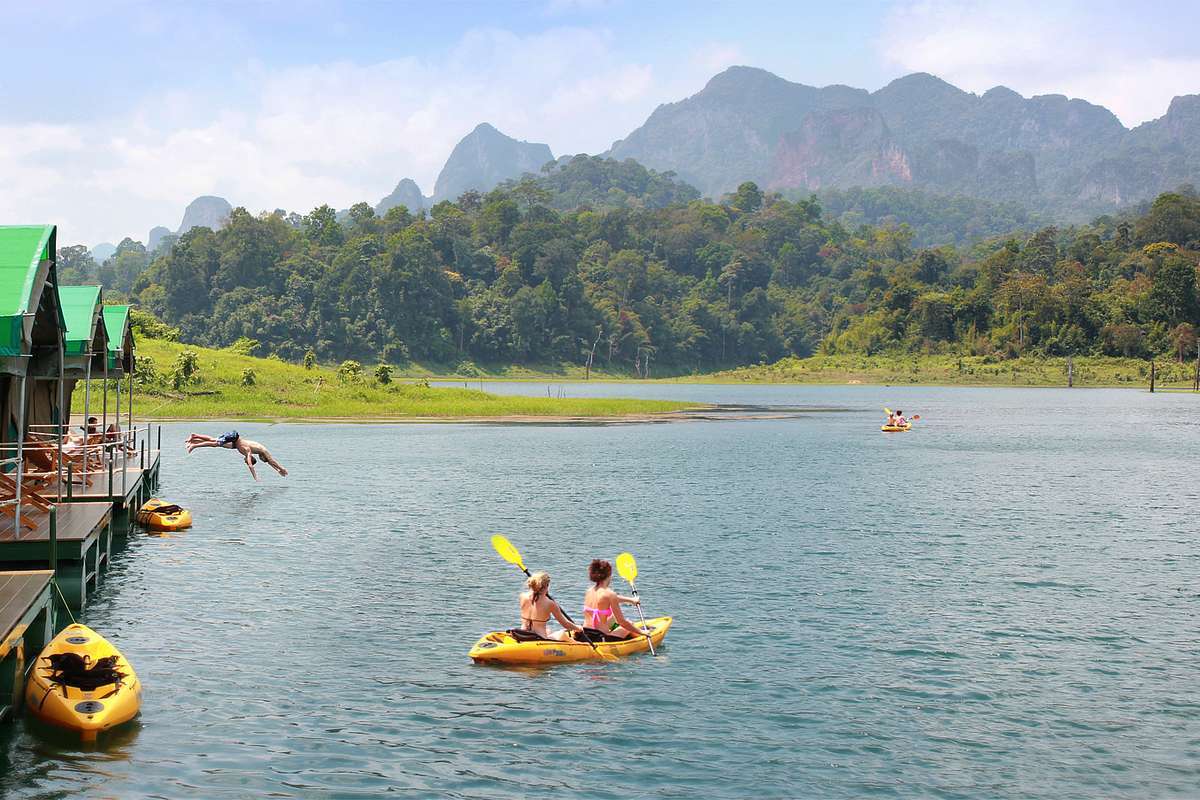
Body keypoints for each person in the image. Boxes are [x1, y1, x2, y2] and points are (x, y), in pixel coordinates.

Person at [580, 558, 649, 642]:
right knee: (629, 624)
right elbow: (622, 622)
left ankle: (613, 629)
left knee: (611, 618)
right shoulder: (609, 594)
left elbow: (608, 599)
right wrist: (642, 632)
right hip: (600, 638)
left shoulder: (589, 591)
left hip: (585, 634)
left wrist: (631, 600)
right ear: (609, 575)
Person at [185, 431, 288, 480]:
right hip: (234, 439)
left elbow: (269, 463)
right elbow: (270, 461)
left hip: (235, 443)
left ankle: (194, 438)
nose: (245, 462)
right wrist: (281, 469)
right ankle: (194, 444)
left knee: (214, 441)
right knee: (214, 443)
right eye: (246, 462)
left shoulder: (255, 451)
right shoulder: (255, 451)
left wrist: (278, 470)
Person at [514, 571, 582, 641]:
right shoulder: (550, 603)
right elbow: (565, 624)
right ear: (546, 586)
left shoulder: (522, 596)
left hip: (523, 635)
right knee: (561, 634)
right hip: (539, 638)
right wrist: (578, 628)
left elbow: (535, 601)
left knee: (548, 630)